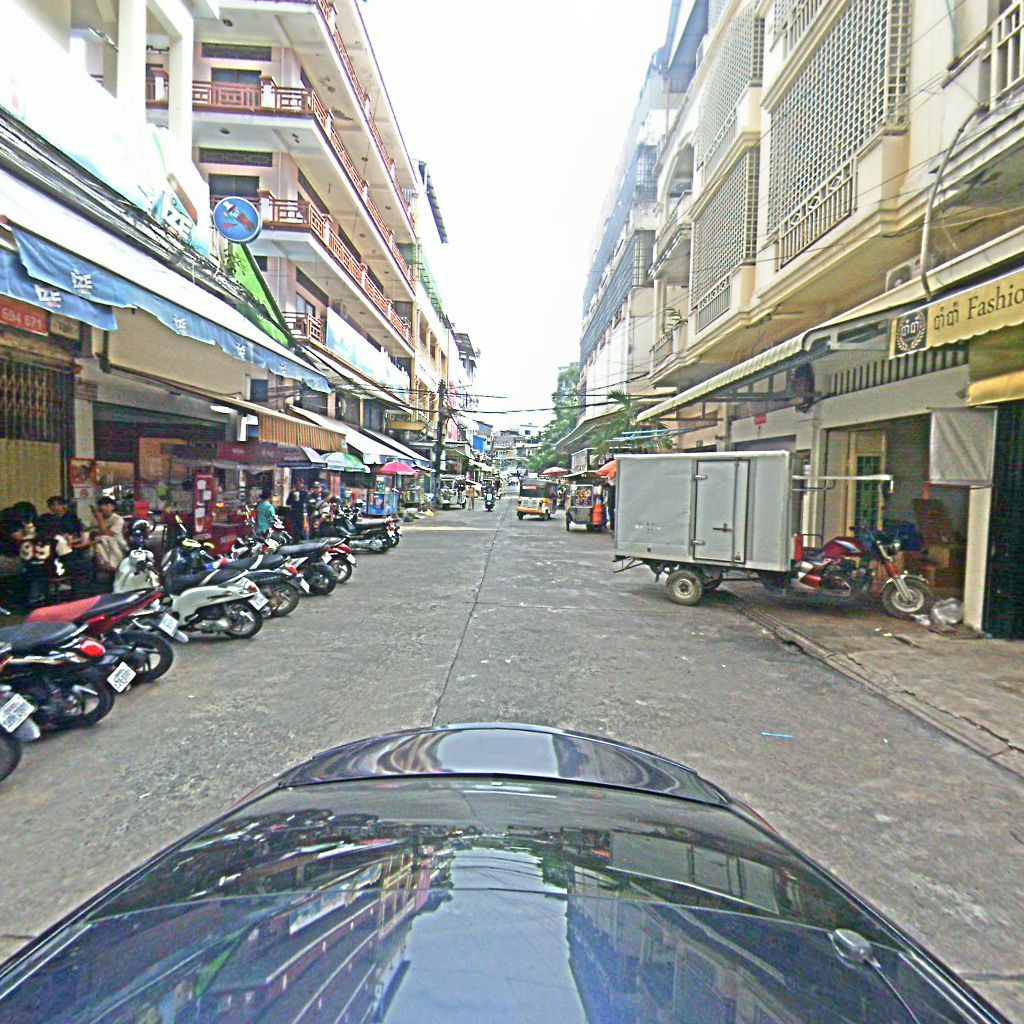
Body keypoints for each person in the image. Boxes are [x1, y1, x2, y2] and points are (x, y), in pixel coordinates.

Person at [37, 495, 91, 596]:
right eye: (51, 505)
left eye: (56, 505)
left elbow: (78, 531)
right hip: (59, 559)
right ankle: (78, 594)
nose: (54, 508)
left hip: (50, 560)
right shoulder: (52, 524)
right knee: (83, 565)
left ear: (63, 505)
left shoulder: (70, 517)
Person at [91, 496, 127, 574]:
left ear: (113, 507)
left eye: (107, 505)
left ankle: (112, 566)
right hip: (101, 546)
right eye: (102, 506)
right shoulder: (95, 519)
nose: (104, 508)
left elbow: (109, 534)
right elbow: (93, 532)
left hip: (118, 545)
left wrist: (100, 520)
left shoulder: (118, 519)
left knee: (105, 538)